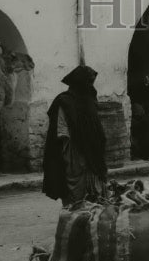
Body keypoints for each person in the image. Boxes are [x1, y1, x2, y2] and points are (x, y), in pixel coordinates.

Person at [42, 64, 108, 207]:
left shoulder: (89, 99)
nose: (91, 85)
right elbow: (61, 131)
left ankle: (91, 217)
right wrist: (74, 155)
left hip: (92, 152)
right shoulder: (64, 101)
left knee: (94, 189)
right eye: (88, 82)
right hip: (74, 154)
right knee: (75, 189)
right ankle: (74, 219)